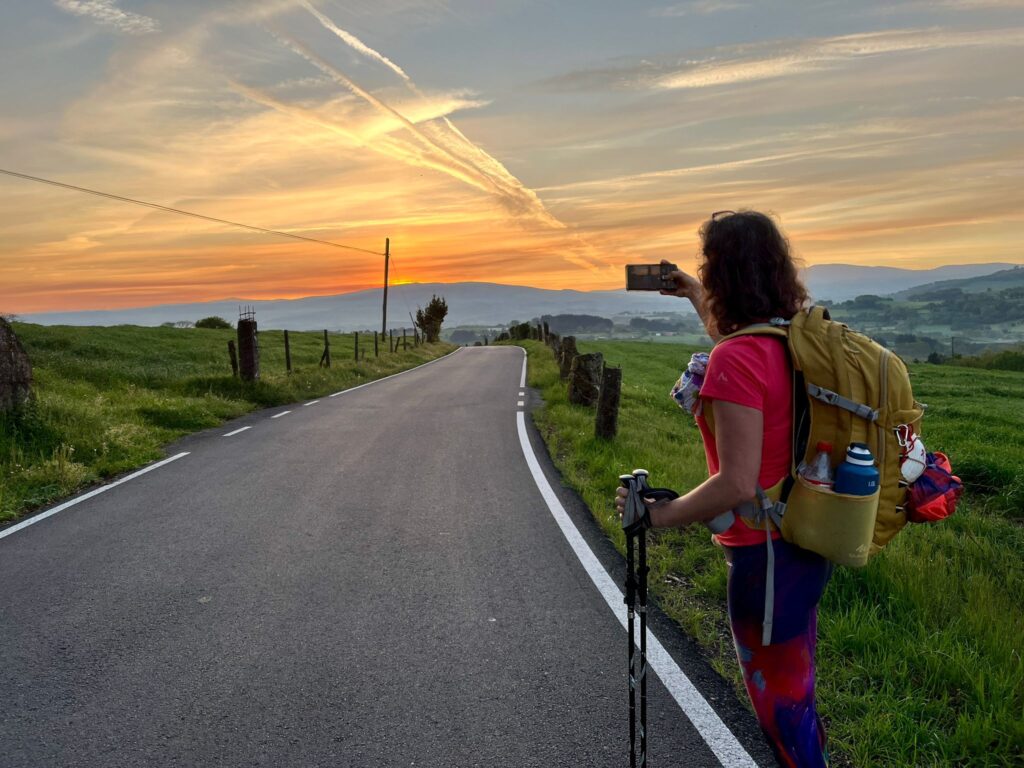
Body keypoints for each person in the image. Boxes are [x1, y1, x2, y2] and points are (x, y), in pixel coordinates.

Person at [616, 210, 832, 768]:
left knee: (780, 714)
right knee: (797, 697)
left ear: (727, 274)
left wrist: (657, 517)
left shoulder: (737, 357)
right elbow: (737, 342)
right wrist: (692, 294)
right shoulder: (792, 339)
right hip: (805, 543)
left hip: (762, 563)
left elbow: (736, 482)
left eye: (708, 266)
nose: (705, 273)